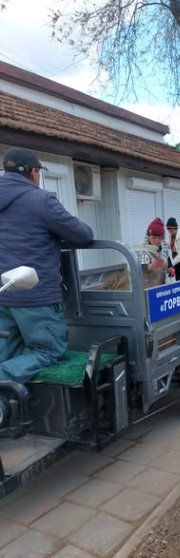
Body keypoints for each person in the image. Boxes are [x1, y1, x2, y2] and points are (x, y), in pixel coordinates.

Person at [0, 147, 94, 383]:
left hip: (3, 297)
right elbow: (83, 234)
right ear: (33, 172)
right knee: (49, 351)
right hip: (36, 298)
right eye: (39, 172)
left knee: (4, 354)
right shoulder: (40, 200)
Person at [135, 217, 169, 286]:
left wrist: (170, 267)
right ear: (148, 236)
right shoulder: (143, 250)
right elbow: (141, 268)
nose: (156, 241)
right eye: (154, 238)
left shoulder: (163, 247)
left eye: (159, 238)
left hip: (161, 284)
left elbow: (167, 258)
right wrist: (151, 267)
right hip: (148, 286)